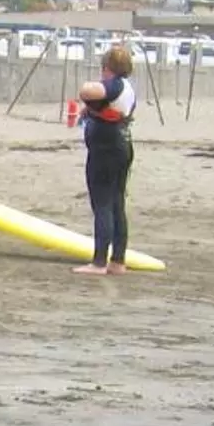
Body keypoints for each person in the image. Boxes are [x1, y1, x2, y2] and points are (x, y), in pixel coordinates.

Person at [76, 41, 137, 274]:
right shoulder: (128, 87)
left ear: (107, 67)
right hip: (122, 146)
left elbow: (88, 91)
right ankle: (118, 261)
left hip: (106, 150)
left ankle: (99, 262)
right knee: (117, 203)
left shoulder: (114, 84)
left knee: (102, 204)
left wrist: (88, 93)